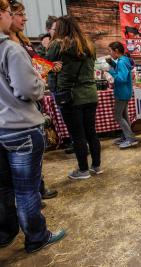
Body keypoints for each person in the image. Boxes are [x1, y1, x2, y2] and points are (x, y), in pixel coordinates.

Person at [0, 0, 65, 253]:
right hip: (20, 128)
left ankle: (5, 233)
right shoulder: (11, 50)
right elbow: (27, 90)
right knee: (26, 190)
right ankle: (36, 236)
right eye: (8, 12)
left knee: (3, 187)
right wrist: (39, 81)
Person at [8, 0, 58, 201]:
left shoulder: (24, 42)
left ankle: (38, 188)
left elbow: (36, 66)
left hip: (29, 106)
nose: (25, 18)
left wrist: (46, 67)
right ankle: (31, 197)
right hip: (16, 108)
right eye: (19, 14)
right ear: (7, 15)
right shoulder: (9, 47)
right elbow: (24, 85)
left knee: (34, 157)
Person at [45, 15, 101, 179]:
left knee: (77, 135)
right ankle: (96, 166)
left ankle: (83, 170)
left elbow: (46, 67)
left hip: (70, 96)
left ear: (60, 29)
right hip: (90, 93)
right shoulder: (89, 44)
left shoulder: (57, 44)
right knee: (91, 132)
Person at [106, 42, 138, 148]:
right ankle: (126, 136)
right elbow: (122, 70)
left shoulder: (121, 62)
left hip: (122, 92)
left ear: (116, 51)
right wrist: (112, 63)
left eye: (110, 51)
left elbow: (121, 78)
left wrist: (110, 71)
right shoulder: (123, 60)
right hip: (125, 92)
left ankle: (130, 138)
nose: (110, 53)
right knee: (124, 115)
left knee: (118, 116)